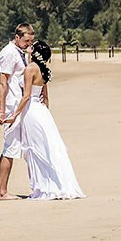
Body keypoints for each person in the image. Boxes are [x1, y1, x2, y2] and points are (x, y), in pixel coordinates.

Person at [6, 40, 85, 200]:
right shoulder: (43, 70)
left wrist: (14, 115)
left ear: (34, 51)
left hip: (31, 112)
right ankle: (53, 183)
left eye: (31, 46)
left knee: (36, 149)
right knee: (48, 148)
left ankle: (43, 187)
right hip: (42, 112)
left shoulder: (30, 69)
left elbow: (26, 96)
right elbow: (46, 98)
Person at [0, 23, 35, 200]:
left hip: (17, 105)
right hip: (11, 106)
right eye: (26, 41)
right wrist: (2, 111)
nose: (28, 44)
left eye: (31, 41)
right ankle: (2, 192)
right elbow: (3, 83)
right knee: (10, 148)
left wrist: (29, 55)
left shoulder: (19, 52)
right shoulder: (9, 53)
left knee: (12, 148)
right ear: (17, 37)